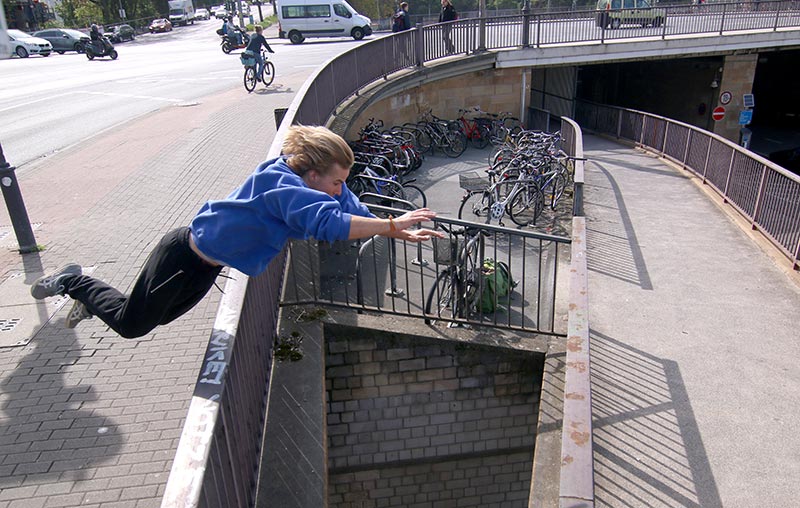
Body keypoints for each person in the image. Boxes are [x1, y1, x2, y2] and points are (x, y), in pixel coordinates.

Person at [30, 126, 443, 339]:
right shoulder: (282, 188)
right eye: (335, 181)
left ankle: (89, 298)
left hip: (206, 267)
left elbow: (345, 206)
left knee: (158, 318)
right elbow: (330, 224)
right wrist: (390, 224)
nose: (340, 189)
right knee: (132, 325)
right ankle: (74, 281)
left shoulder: (304, 180)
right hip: (182, 257)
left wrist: (391, 232)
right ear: (313, 174)